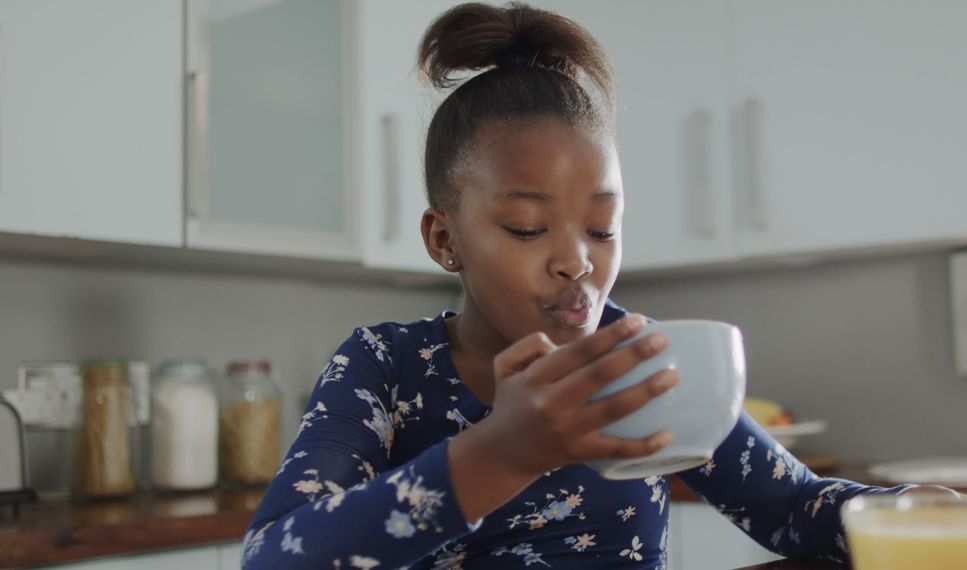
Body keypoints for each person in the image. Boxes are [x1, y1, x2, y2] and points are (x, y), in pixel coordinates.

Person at [241, 3, 923, 568]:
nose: (578, 262)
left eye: (602, 229)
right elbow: (274, 555)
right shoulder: (383, 369)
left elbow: (795, 509)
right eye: (528, 228)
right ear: (445, 239)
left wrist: (922, 512)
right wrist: (500, 453)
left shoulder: (643, 365)